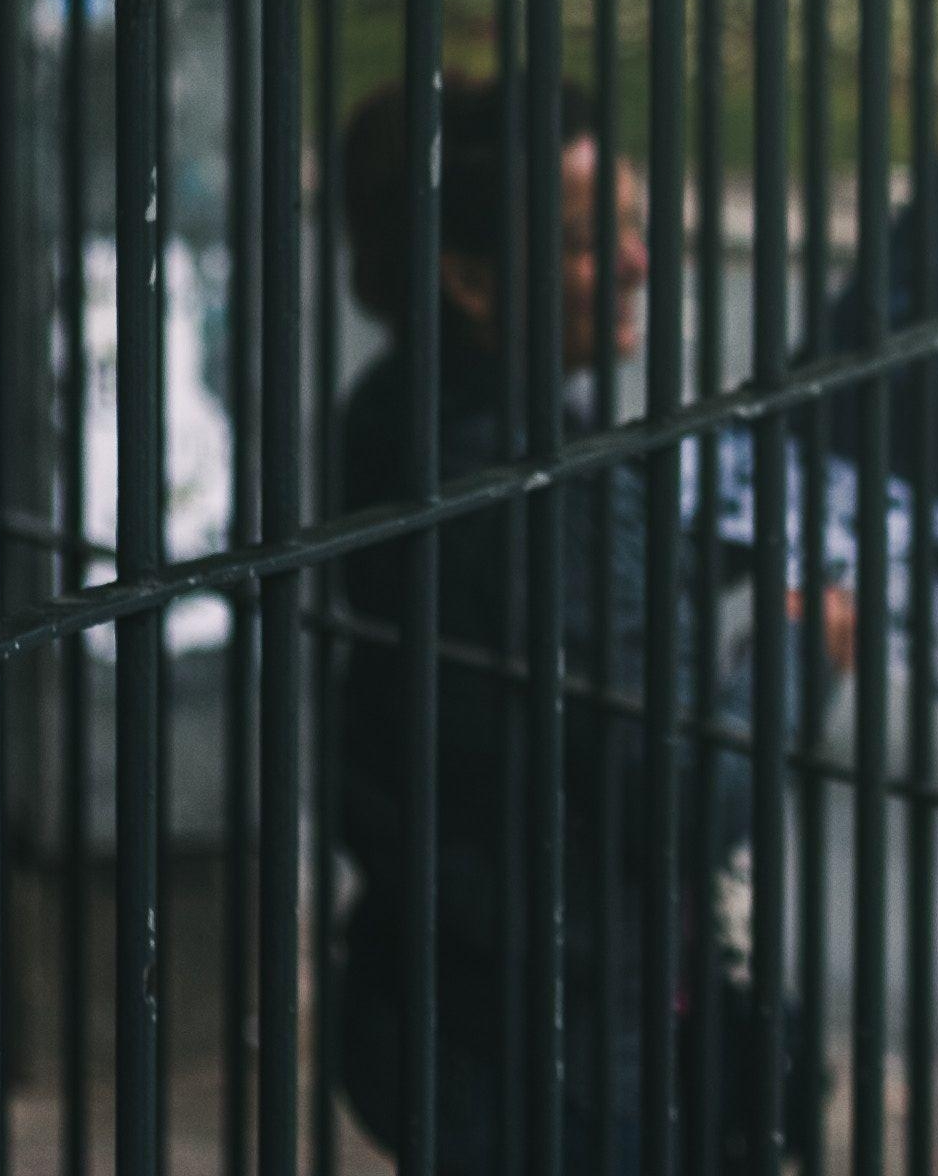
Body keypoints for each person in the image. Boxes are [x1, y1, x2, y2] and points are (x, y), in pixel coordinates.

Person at [327, 75, 842, 1171]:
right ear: (467, 277)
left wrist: (700, 552)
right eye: (583, 241)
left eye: (633, 224)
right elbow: (688, 798)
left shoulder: (398, 416)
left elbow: (538, 631)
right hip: (553, 1053)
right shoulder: (528, 486)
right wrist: (799, 651)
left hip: (434, 990)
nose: (637, 263)